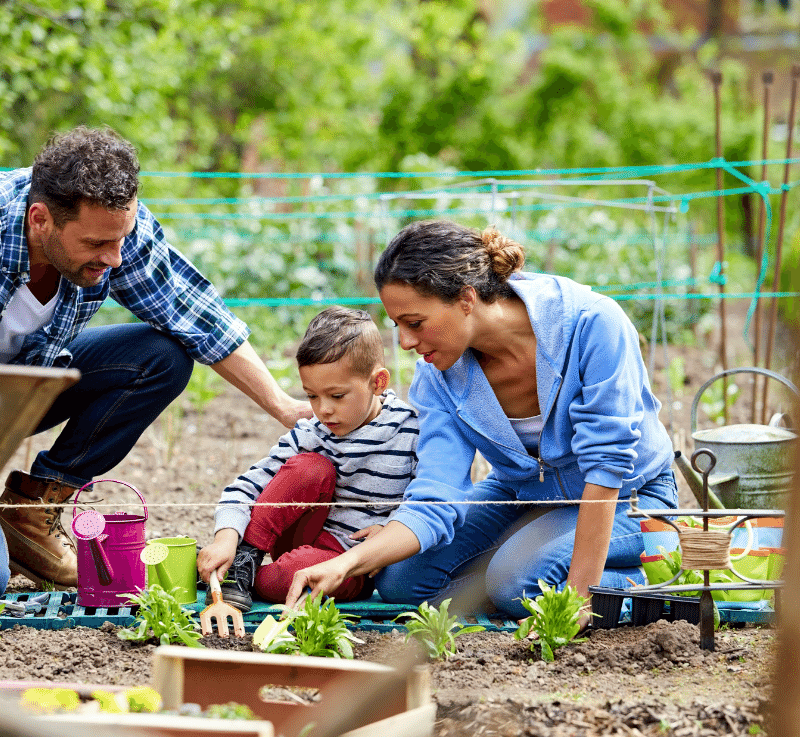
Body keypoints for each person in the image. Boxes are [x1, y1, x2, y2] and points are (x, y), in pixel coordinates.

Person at [284, 219, 678, 623]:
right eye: (397, 324)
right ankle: (519, 565)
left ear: (466, 298)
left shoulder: (591, 324)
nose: (403, 342)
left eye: (414, 323)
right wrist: (349, 562)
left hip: (632, 497)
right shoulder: (438, 375)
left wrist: (578, 599)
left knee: (518, 585)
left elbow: (607, 465)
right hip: (522, 495)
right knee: (401, 581)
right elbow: (437, 490)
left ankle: (651, 576)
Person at [0, 126, 310, 595]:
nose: (116, 258)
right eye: (96, 245)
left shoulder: (115, 229)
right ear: (40, 220)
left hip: (25, 389)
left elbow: (197, 316)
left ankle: (29, 512)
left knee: (160, 356)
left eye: (120, 239)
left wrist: (284, 407)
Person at [197, 306, 419, 610]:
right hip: (299, 535)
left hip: (351, 563)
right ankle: (240, 561)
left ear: (377, 382)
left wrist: (392, 528)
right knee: (309, 467)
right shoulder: (312, 432)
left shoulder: (410, 431)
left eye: (336, 396)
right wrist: (227, 537)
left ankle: (248, 576)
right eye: (312, 396)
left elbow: (426, 500)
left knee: (286, 578)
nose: (323, 409)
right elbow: (246, 487)